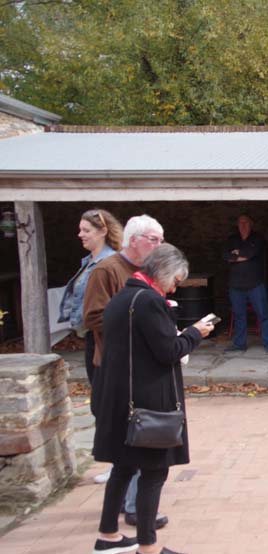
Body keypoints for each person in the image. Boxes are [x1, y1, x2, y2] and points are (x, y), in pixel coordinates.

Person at [91, 244, 213, 554]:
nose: (174, 288)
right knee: (153, 470)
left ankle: (108, 535)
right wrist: (195, 333)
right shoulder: (148, 301)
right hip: (147, 401)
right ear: (162, 272)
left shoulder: (123, 297)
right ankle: (148, 549)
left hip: (121, 396)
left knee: (123, 466)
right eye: (175, 280)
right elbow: (168, 350)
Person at [83, 214, 169, 525]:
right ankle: (133, 511)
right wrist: (141, 322)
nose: (159, 246)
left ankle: (127, 508)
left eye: (161, 241)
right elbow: (93, 317)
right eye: (154, 240)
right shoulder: (106, 270)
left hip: (140, 366)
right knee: (133, 439)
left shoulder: (146, 271)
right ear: (134, 240)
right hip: (116, 368)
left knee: (139, 439)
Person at [58, 209, 123, 385]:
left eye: (86, 230)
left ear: (103, 231)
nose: (80, 235)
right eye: (80, 230)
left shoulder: (109, 264)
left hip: (104, 337)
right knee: (98, 388)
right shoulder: (88, 262)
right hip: (92, 335)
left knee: (104, 389)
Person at [223, 214, 268, 354]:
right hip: (236, 285)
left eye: (245, 222)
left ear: (251, 224)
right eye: (240, 222)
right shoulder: (232, 239)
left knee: (263, 315)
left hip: (255, 284)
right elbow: (226, 256)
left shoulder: (258, 238)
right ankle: (239, 344)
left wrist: (237, 254)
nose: (243, 225)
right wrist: (241, 255)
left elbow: (251, 253)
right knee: (239, 316)